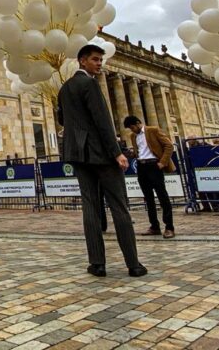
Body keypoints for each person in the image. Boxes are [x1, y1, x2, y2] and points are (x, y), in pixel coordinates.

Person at [57, 44, 145, 278]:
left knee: (90, 207)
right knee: (119, 207)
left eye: (100, 60)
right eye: (95, 59)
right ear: (82, 60)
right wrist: (117, 152)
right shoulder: (90, 84)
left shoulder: (64, 88)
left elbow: (62, 119)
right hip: (101, 154)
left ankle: (97, 263)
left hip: (78, 154)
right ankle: (133, 264)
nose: (99, 64)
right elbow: (103, 121)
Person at [124, 116, 177, 239]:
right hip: (142, 167)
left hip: (154, 165)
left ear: (138, 123)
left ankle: (169, 227)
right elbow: (140, 152)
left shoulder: (153, 130)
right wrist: (130, 154)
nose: (132, 130)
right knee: (148, 198)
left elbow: (169, 146)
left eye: (132, 127)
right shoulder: (133, 137)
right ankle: (154, 226)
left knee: (162, 196)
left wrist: (162, 163)